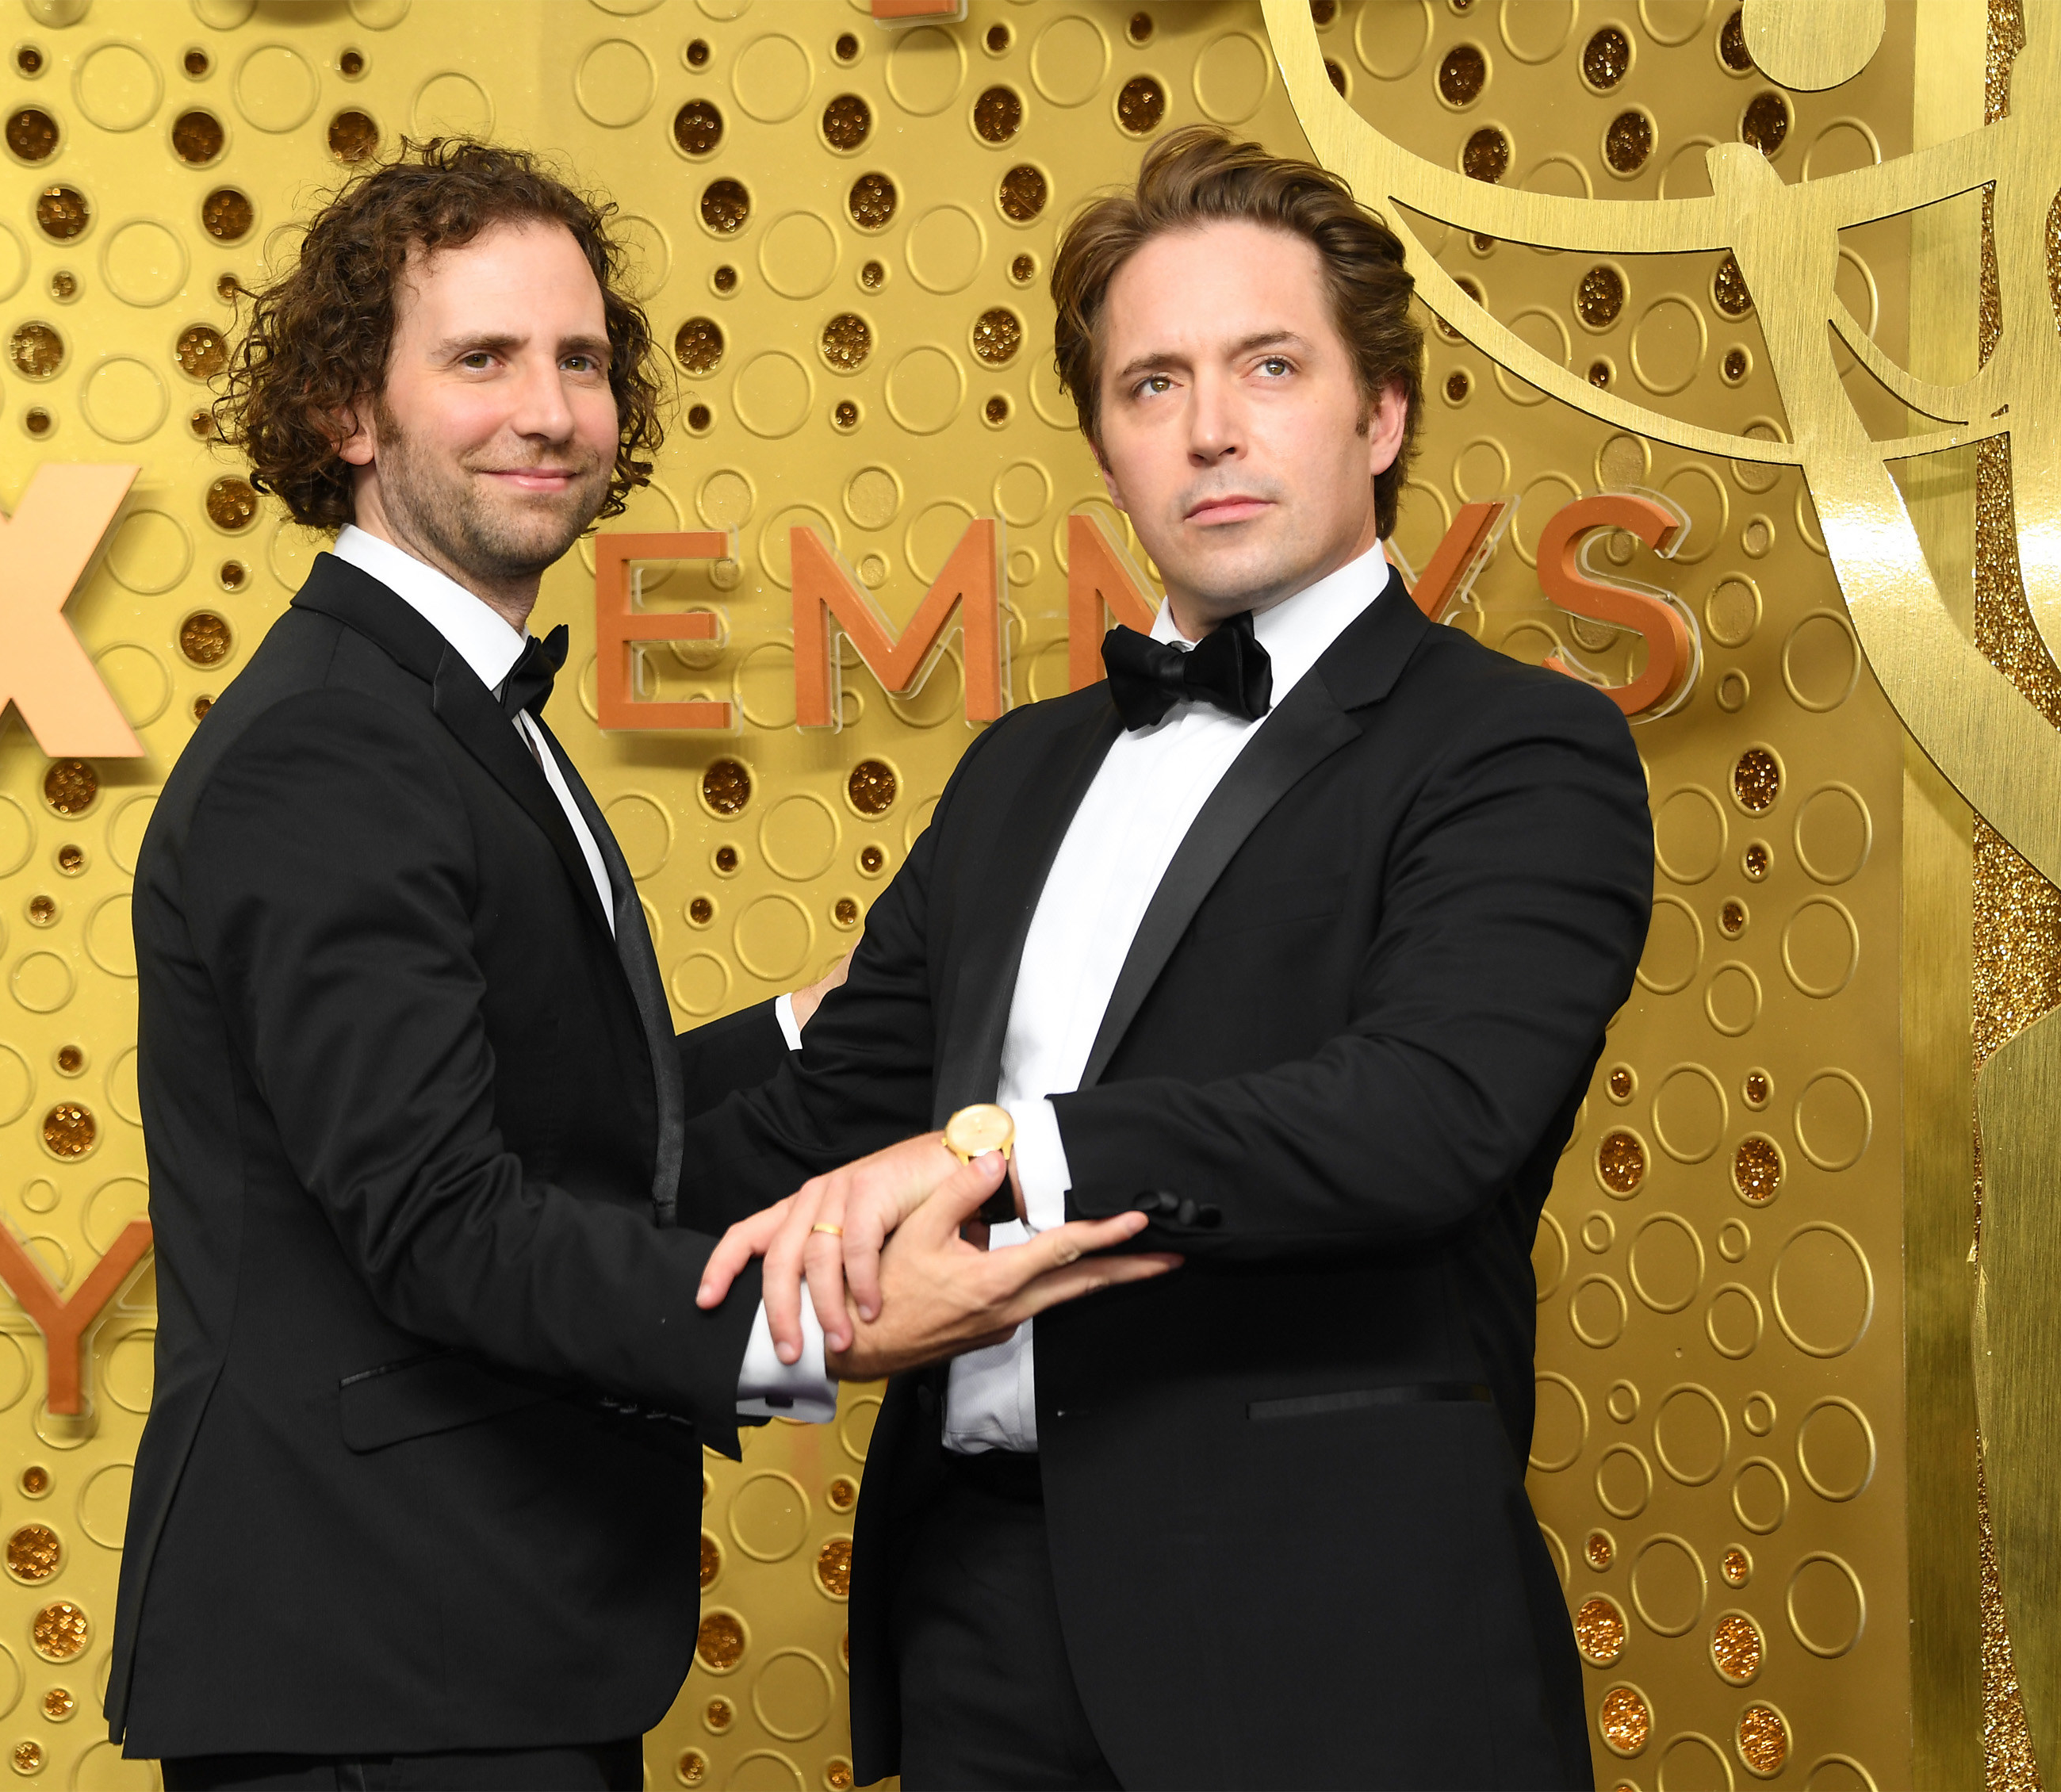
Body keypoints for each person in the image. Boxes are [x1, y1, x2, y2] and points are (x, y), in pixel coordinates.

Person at [109, 139, 1172, 1792]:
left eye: (582, 360)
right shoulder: (327, 745)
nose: (548, 409)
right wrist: (830, 1328)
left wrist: (810, 1030)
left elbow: (546, 1117)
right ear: (346, 409)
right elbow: (439, 1213)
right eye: (481, 359)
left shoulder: (438, 709)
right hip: (377, 1664)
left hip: (467, 1643)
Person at [689, 126, 1654, 1790]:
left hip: (1335, 1642)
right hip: (981, 1620)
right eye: (1151, 385)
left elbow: (1424, 1113)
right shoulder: (1017, 770)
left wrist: (1014, 1143)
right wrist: (474, 1138)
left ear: (1383, 410)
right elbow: (820, 1113)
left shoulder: (1519, 747)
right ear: (1106, 444)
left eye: (1269, 367)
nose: (1210, 427)